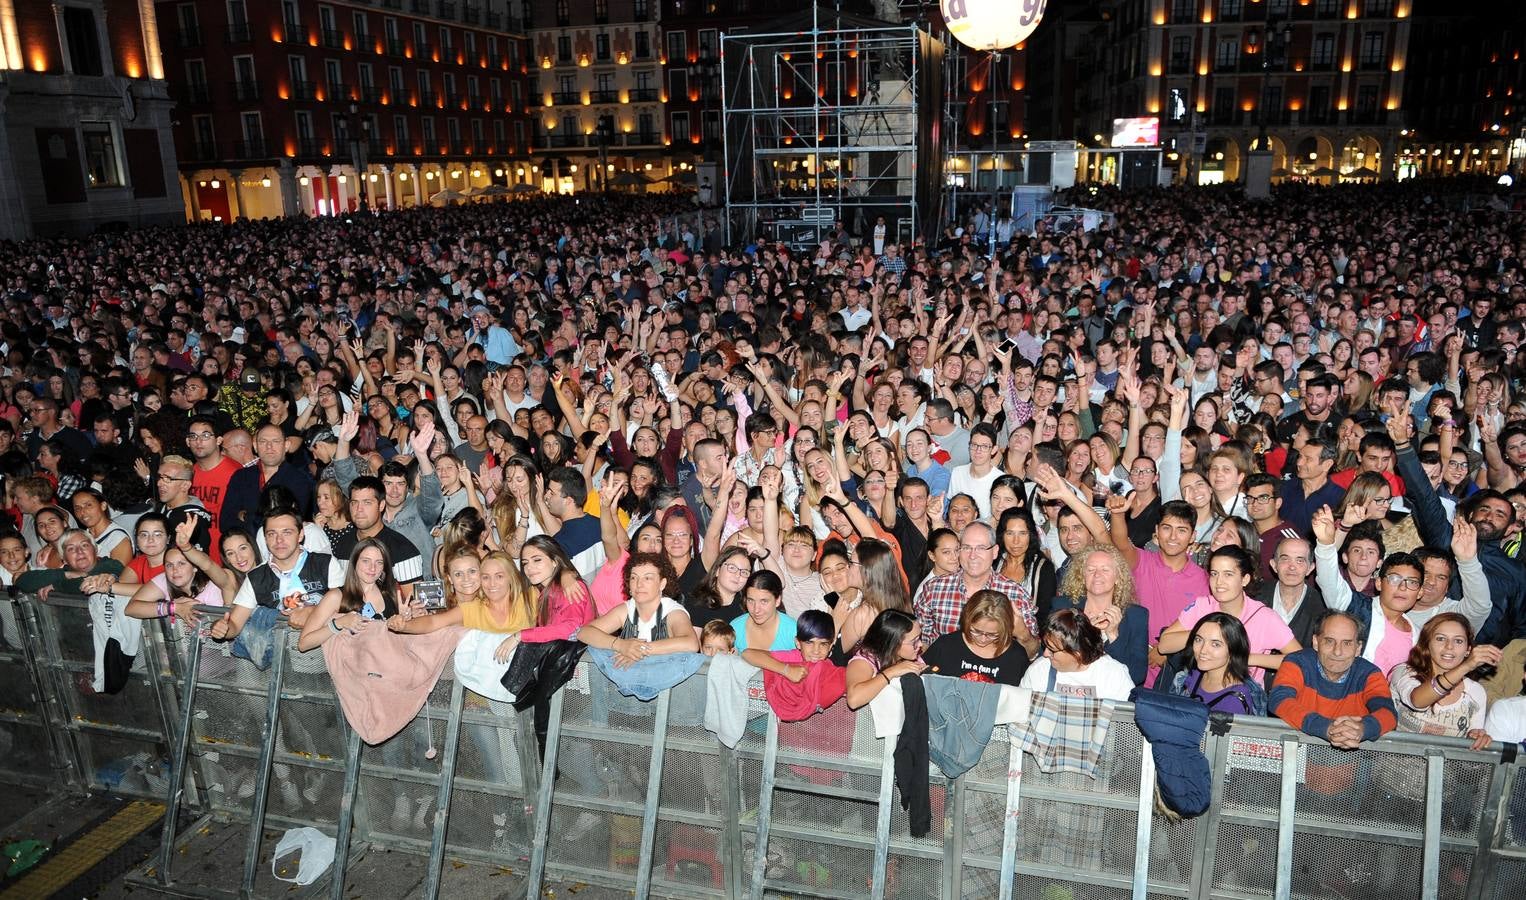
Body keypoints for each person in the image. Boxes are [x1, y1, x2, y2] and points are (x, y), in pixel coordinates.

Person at [1157, 546, 1300, 682]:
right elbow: (1164, 645)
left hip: (1241, 699)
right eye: (1214, 574)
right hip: (1197, 692)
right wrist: (1202, 633)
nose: (1219, 582)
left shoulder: (1263, 617)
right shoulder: (1202, 605)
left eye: (1228, 574)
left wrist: (1247, 658)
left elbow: (1301, 660)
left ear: (1245, 579)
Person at [1269, 610, 1398, 750]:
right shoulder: (1297, 663)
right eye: (1329, 641)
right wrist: (1326, 728)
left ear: (1358, 648)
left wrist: (1361, 729)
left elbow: (1389, 713)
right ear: (1316, 642)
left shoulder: (1369, 674)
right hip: (1297, 761)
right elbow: (1279, 700)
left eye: (1347, 643)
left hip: (1354, 765)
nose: (1337, 652)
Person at [912, 521, 1037, 655]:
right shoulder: (934, 589)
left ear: (995, 552)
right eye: (966, 547)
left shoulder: (1015, 594)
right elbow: (922, 645)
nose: (972, 555)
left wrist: (1023, 633)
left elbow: (1031, 653)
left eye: (981, 548)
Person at [1388, 613, 1497, 749]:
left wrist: (1476, 739)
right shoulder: (1405, 672)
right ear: (1427, 644)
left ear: (1468, 650)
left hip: (1444, 769)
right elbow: (1417, 701)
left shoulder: (1475, 692)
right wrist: (1466, 666)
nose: (1449, 647)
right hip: (1392, 767)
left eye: (1458, 641)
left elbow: (1469, 753)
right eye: (1440, 639)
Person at [1051, 543, 1150, 685]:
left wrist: (1114, 636)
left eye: (1105, 569)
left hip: (1110, 696)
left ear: (1118, 577)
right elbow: (1048, 656)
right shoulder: (1062, 607)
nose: (1097, 575)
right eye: (1090, 569)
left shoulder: (1136, 616)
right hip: (1067, 687)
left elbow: (1136, 676)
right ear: (1082, 576)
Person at [577, 551, 700, 665]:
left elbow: (691, 643)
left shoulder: (674, 612)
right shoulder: (626, 609)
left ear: (662, 584)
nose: (639, 584)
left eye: (647, 578)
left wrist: (638, 650)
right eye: (634, 578)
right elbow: (584, 632)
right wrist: (620, 645)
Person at [1019, 608, 1134, 700]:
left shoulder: (1114, 676)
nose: (1045, 654)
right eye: (1046, 647)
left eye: (1052, 650)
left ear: (1077, 654)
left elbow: (1125, 726)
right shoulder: (1039, 671)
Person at [1167, 612, 1268, 716]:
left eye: (1215, 644)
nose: (1203, 650)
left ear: (1233, 650)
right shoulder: (1193, 674)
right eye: (1198, 639)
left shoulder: (1234, 701)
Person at [922, 589, 1030, 685]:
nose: (983, 639)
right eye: (976, 631)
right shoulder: (945, 646)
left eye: (992, 634)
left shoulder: (1016, 656)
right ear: (967, 621)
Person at [845, 609, 927, 709]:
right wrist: (892, 671)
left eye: (920, 637)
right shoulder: (864, 661)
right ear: (893, 644)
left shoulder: (911, 657)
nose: (920, 644)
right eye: (914, 641)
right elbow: (853, 700)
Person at [730, 569, 797, 652]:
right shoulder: (735, 628)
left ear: (777, 600)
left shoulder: (793, 631)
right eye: (750, 600)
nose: (756, 609)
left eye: (764, 601)